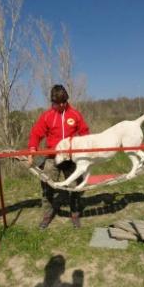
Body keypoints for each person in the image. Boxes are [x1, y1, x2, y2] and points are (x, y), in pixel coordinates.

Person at [28, 84, 90, 229]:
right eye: (58, 103)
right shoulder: (47, 116)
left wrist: (85, 151)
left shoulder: (75, 115)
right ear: (53, 102)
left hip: (70, 157)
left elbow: (85, 133)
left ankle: (74, 214)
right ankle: (48, 214)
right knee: (47, 185)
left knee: (75, 187)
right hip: (52, 157)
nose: (62, 105)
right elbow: (36, 134)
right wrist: (32, 151)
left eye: (64, 102)